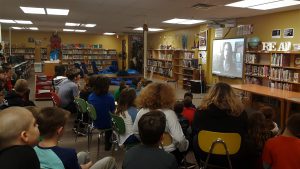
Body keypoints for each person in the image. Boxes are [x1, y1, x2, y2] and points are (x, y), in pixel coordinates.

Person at [192, 82, 253, 169]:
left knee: (195, 138)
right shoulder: (240, 113)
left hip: (206, 154)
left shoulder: (200, 111)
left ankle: (202, 165)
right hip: (234, 156)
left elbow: (195, 129)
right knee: (248, 142)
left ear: (211, 94)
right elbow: (245, 131)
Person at [34, 107, 117, 169]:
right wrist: (87, 166)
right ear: (60, 130)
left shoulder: (33, 150)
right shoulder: (67, 154)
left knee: (83, 154)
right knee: (110, 160)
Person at [133, 83, 192, 167]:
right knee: (188, 140)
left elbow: (135, 131)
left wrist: (147, 142)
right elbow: (179, 139)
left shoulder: (142, 111)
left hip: (147, 148)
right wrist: (184, 148)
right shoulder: (169, 114)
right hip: (169, 153)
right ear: (168, 97)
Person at [88, 76, 115, 151]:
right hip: (107, 124)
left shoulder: (91, 96)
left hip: (95, 122)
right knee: (112, 120)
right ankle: (108, 143)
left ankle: (107, 140)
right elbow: (113, 112)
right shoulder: (110, 97)